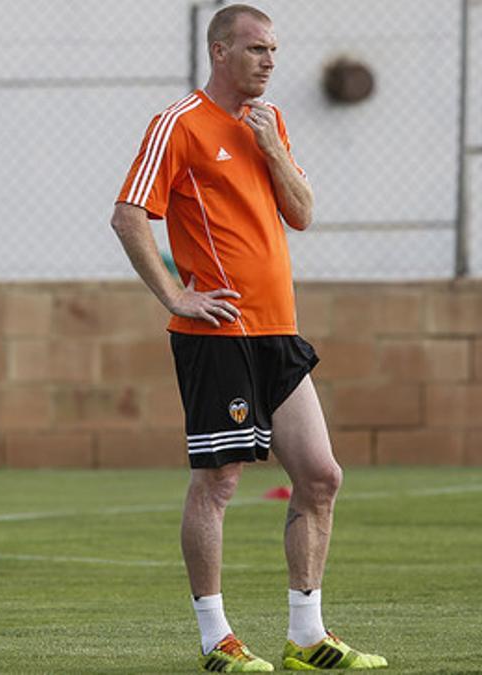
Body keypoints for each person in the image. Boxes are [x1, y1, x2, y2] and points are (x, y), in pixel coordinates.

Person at [110, 4, 387, 671]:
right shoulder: (178, 124)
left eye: (274, 51)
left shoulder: (272, 122)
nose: (269, 60)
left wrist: (269, 145)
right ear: (220, 52)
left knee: (320, 476)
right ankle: (217, 639)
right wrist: (176, 295)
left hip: (278, 332)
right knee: (220, 481)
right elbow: (127, 216)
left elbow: (302, 214)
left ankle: (306, 635)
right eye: (257, 48)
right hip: (217, 334)